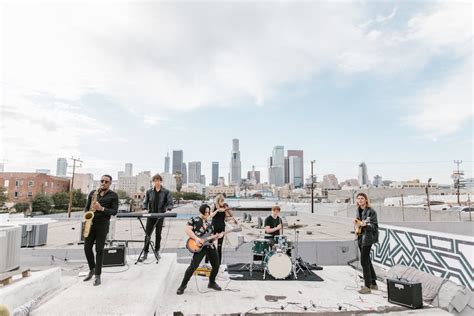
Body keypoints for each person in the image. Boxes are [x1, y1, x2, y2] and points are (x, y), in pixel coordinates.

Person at [177, 204, 223, 295]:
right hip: (199, 247)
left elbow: (210, 238)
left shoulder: (210, 225)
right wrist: (196, 238)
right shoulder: (194, 219)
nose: (207, 214)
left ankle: (211, 282)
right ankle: (182, 285)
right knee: (192, 267)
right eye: (205, 212)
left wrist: (217, 236)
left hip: (209, 246)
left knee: (216, 265)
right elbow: (187, 229)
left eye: (208, 212)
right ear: (201, 211)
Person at [83, 174, 118, 286]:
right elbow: (87, 207)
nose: (103, 183)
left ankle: (98, 275)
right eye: (102, 180)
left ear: (110, 183)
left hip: (102, 225)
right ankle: (92, 269)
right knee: (87, 248)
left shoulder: (113, 195)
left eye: (106, 181)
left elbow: (114, 211)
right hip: (90, 223)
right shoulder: (93, 193)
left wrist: (101, 208)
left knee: (99, 250)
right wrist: (86, 217)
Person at [139, 173, 173, 262]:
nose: (157, 182)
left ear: (161, 181)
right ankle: (145, 253)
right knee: (147, 235)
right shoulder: (149, 191)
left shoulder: (166, 192)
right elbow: (145, 202)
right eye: (155, 180)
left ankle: (157, 250)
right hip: (151, 216)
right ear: (153, 182)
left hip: (160, 216)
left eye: (158, 180)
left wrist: (169, 209)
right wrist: (145, 208)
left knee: (158, 234)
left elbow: (170, 202)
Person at [354, 192, 379, 294]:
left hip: (368, 238)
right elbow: (358, 223)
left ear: (366, 200)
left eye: (362, 198)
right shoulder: (358, 210)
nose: (360, 200)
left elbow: (374, 227)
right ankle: (373, 283)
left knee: (364, 261)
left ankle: (367, 286)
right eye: (358, 198)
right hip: (360, 237)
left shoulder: (371, 211)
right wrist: (357, 225)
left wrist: (364, 225)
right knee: (367, 260)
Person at [207, 195, 233, 265]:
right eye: (221, 201)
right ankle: (207, 262)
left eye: (223, 201)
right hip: (214, 227)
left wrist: (227, 210)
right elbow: (210, 216)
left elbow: (228, 217)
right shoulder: (214, 206)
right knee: (209, 244)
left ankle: (219, 263)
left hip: (221, 227)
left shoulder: (224, 207)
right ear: (218, 201)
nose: (223, 202)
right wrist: (218, 210)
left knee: (219, 246)